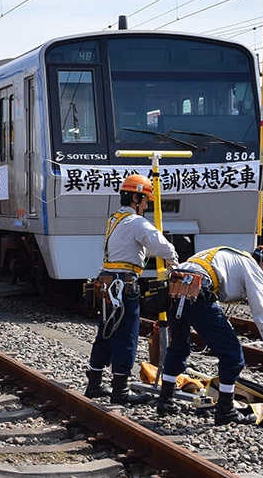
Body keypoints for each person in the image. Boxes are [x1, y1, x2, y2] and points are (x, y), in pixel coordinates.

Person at [155, 243, 263, 424]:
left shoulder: (231, 255)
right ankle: (225, 410)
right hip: (196, 290)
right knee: (232, 354)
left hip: (175, 286)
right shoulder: (253, 268)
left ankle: (165, 401)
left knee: (178, 346)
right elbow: (261, 310)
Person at [85, 174, 178, 406]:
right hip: (124, 286)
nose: (146, 205)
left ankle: (94, 383)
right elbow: (161, 246)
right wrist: (173, 261)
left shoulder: (114, 219)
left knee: (106, 331)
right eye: (145, 200)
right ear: (136, 197)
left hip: (107, 283)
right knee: (126, 334)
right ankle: (120, 391)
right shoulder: (137, 223)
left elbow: (128, 248)